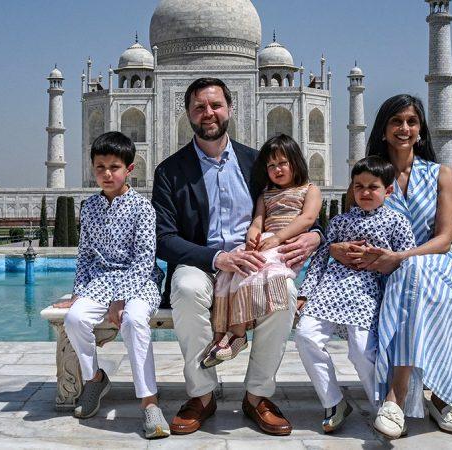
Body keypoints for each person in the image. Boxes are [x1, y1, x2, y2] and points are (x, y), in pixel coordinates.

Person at [151, 78, 322, 436]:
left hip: (254, 260)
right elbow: (164, 239)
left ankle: (257, 396)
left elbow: (295, 201)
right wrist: (218, 258)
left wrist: (315, 235)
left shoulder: (256, 162)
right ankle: (202, 395)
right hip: (202, 262)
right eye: (200, 107)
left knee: (285, 293)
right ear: (187, 113)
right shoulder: (170, 171)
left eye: (215, 105)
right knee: (185, 288)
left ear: (230, 108)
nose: (208, 113)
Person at [331, 94, 452, 439]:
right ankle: (444, 399)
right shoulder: (368, 177)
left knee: (413, 273)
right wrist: (337, 248)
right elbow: (349, 229)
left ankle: (396, 396)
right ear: (383, 129)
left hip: (433, 267)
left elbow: (444, 239)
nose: (404, 128)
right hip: (379, 275)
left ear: (421, 130)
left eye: (412, 122)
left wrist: (401, 258)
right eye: (396, 121)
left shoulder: (441, 175)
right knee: (413, 279)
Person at [53, 131, 170, 440]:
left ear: (129, 169)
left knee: (133, 320)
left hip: (140, 281)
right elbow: (85, 255)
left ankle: (149, 401)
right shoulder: (90, 207)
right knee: (74, 319)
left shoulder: (142, 208)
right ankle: (95, 379)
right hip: (101, 281)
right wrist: (78, 293)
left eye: (114, 167)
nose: (107, 174)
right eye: (100, 167)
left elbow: (144, 260)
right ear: (93, 168)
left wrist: (121, 299)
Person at [294, 155, 416, 434]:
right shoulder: (340, 221)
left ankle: (386, 410)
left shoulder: (396, 222)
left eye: (373, 187)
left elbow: (407, 262)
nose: (365, 193)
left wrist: (384, 263)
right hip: (331, 289)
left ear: (388, 190)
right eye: (359, 186)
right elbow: (320, 259)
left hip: (366, 293)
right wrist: (305, 293)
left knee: (362, 351)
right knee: (305, 336)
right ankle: (334, 402)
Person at [202, 134, 322, 368]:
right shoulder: (266, 194)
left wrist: (277, 238)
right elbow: (258, 221)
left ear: (296, 162)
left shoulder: (310, 190)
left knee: (250, 270)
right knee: (232, 271)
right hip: (267, 243)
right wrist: (252, 235)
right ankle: (226, 334)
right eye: (271, 165)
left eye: (283, 163)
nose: (277, 169)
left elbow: (307, 219)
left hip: (286, 246)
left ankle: (237, 333)